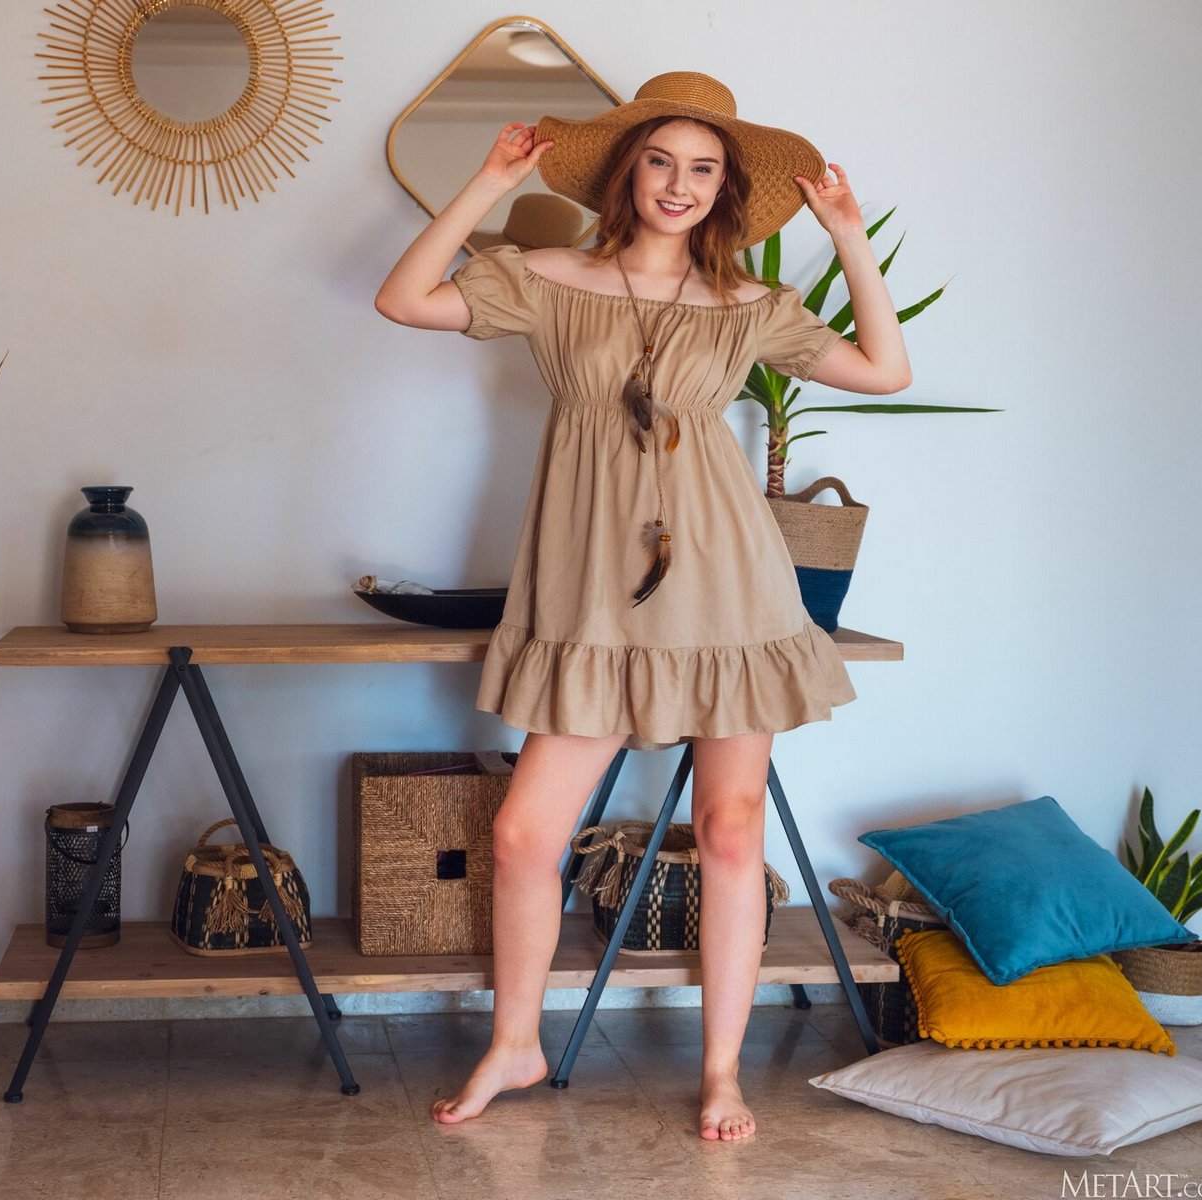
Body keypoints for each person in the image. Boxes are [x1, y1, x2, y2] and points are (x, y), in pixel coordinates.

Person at [374, 71, 910, 1142]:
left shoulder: (746, 306)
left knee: (728, 830)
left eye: (703, 168)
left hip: (728, 586)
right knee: (524, 834)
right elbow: (403, 298)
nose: (679, 183)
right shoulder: (548, 277)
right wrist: (490, 183)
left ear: (724, 190)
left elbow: (883, 369)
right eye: (660, 160)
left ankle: (721, 1072)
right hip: (590, 593)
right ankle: (515, 1044)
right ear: (627, 172)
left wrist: (848, 234)